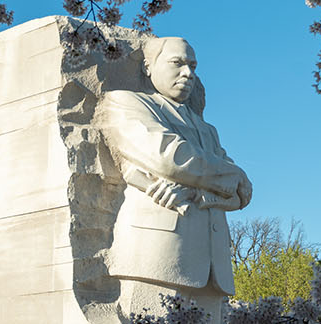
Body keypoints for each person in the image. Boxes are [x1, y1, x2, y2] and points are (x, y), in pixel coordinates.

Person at [96, 37, 253, 323]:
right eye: (177, 63)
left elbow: (242, 192)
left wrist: (201, 192)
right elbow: (169, 157)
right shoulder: (125, 102)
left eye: (192, 66)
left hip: (212, 269)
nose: (188, 73)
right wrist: (230, 175)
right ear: (148, 66)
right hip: (155, 254)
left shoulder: (208, 131)